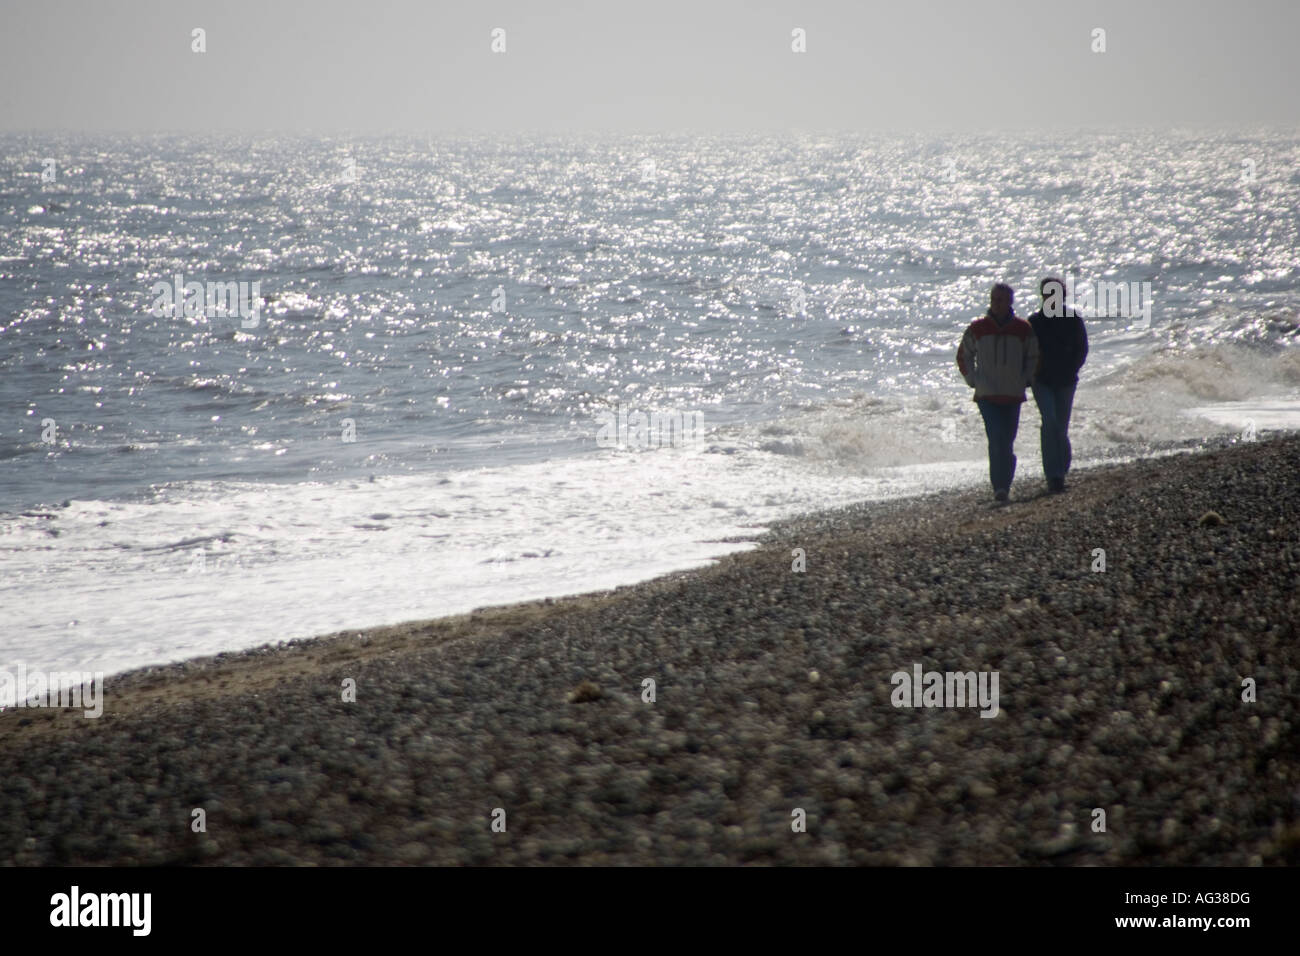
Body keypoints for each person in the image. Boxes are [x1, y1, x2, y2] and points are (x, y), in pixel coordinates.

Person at [956, 283, 1039, 502]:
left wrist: (1027, 379)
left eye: (1001, 300)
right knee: (996, 440)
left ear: (1010, 302)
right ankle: (999, 488)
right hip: (987, 395)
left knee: (1007, 442)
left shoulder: (1023, 329)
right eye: (994, 299)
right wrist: (973, 380)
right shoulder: (978, 328)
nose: (997, 303)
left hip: (1012, 395)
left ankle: (1006, 481)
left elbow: (1034, 357)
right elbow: (963, 355)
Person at [1027, 277, 1088, 493]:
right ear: (1042, 296)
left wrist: (1072, 369)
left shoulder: (1073, 319)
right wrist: (1028, 375)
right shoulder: (1034, 321)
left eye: (1056, 293)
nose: (1052, 297)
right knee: (1049, 421)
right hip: (1041, 380)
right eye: (1048, 293)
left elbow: (1082, 349)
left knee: (1060, 425)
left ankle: (1061, 467)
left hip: (1066, 381)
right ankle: (1053, 475)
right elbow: (1027, 351)